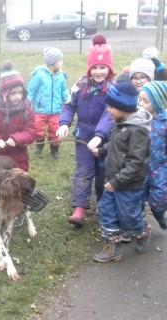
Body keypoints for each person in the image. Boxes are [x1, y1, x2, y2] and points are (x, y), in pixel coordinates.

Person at [91, 82, 153, 262]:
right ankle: (113, 247)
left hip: (128, 184)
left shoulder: (138, 130)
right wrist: (102, 150)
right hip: (112, 180)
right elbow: (116, 144)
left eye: (111, 107)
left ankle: (143, 230)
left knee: (128, 218)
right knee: (106, 211)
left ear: (123, 107)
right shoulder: (121, 123)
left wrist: (118, 181)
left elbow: (136, 161)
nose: (108, 110)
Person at [58, 35, 115, 227]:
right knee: (83, 171)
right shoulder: (80, 85)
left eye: (103, 67)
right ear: (89, 68)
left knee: (103, 173)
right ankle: (80, 208)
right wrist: (64, 123)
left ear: (109, 68)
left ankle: (104, 205)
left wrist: (100, 136)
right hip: (83, 137)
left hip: (105, 140)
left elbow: (110, 114)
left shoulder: (112, 89)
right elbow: (69, 105)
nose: (98, 72)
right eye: (95, 67)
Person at [0, 61, 36, 173]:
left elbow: (31, 131)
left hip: (18, 157)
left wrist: (17, 138)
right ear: (5, 93)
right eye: (13, 93)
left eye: (20, 92)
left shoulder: (26, 108)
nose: (18, 97)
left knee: (17, 181)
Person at [138, 81, 167, 230]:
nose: (141, 103)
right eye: (140, 99)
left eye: (145, 101)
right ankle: (138, 224)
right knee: (137, 197)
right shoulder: (138, 119)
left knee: (161, 198)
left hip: (159, 168)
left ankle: (159, 213)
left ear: (157, 102)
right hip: (139, 167)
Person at [27, 47, 69, 159]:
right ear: (53, 62)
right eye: (60, 60)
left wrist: (67, 99)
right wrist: (27, 101)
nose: (62, 63)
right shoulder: (39, 74)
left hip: (56, 110)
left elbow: (63, 90)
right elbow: (32, 90)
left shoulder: (61, 76)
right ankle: (39, 146)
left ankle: (54, 149)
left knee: (55, 130)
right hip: (40, 109)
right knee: (38, 129)